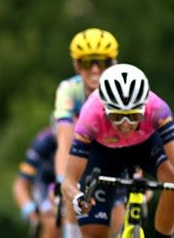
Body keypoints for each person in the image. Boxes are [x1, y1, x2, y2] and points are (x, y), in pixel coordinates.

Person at [61, 63, 174, 238]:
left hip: (145, 146)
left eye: (133, 116)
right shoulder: (90, 116)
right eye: (116, 116)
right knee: (94, 233)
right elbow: (68, 181)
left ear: (144, 108)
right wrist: (78, 198)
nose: (125, 125)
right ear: (105, 110)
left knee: (173, 179)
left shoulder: (157, 108)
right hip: (103, 155)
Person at [52, 28, 123, 237]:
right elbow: (65, 141)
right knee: (73, 194)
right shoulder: (68, 90)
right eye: (86, 62)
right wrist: (61, 180)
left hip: (115, 154)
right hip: (81, 155)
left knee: (120, 222)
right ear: (76, 65)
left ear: (113, 63)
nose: (94, 70)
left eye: (101, 62)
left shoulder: (122, 86)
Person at [12, 121, 61, 238]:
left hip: (67, 183)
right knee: (53, 224)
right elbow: (20, 184)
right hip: (45, 182)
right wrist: (28, 207)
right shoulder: (43, 142)